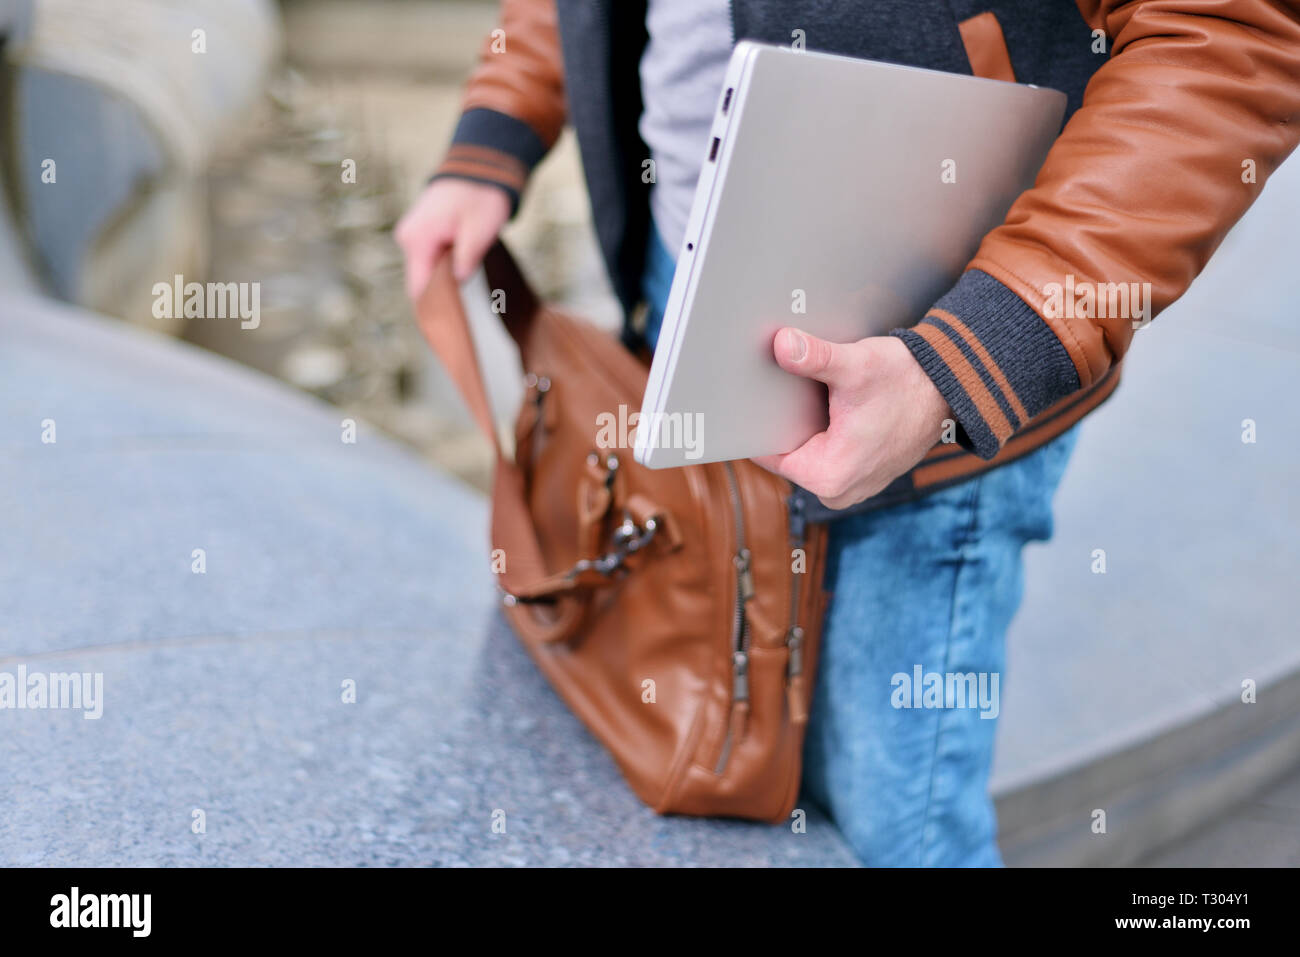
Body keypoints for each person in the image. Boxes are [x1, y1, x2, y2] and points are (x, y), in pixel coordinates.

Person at [396, 0, 1300, 865]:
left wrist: (979, 349)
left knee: (894, 826)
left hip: (927, 341)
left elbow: (1230, 30)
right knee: (748, 749)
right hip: (684, 265)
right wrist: (497, 128)